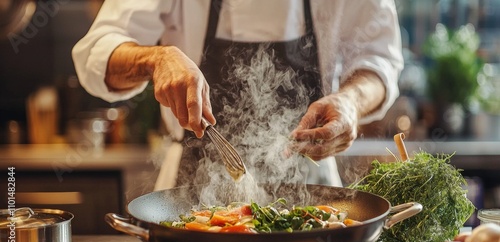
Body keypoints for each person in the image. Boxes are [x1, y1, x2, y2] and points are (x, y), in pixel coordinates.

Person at [72, 0, 404, 192]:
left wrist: (350, 102)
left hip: (312, 187)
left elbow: (379, 59)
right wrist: (156, 59)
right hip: (190, 186)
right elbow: (94, 53)